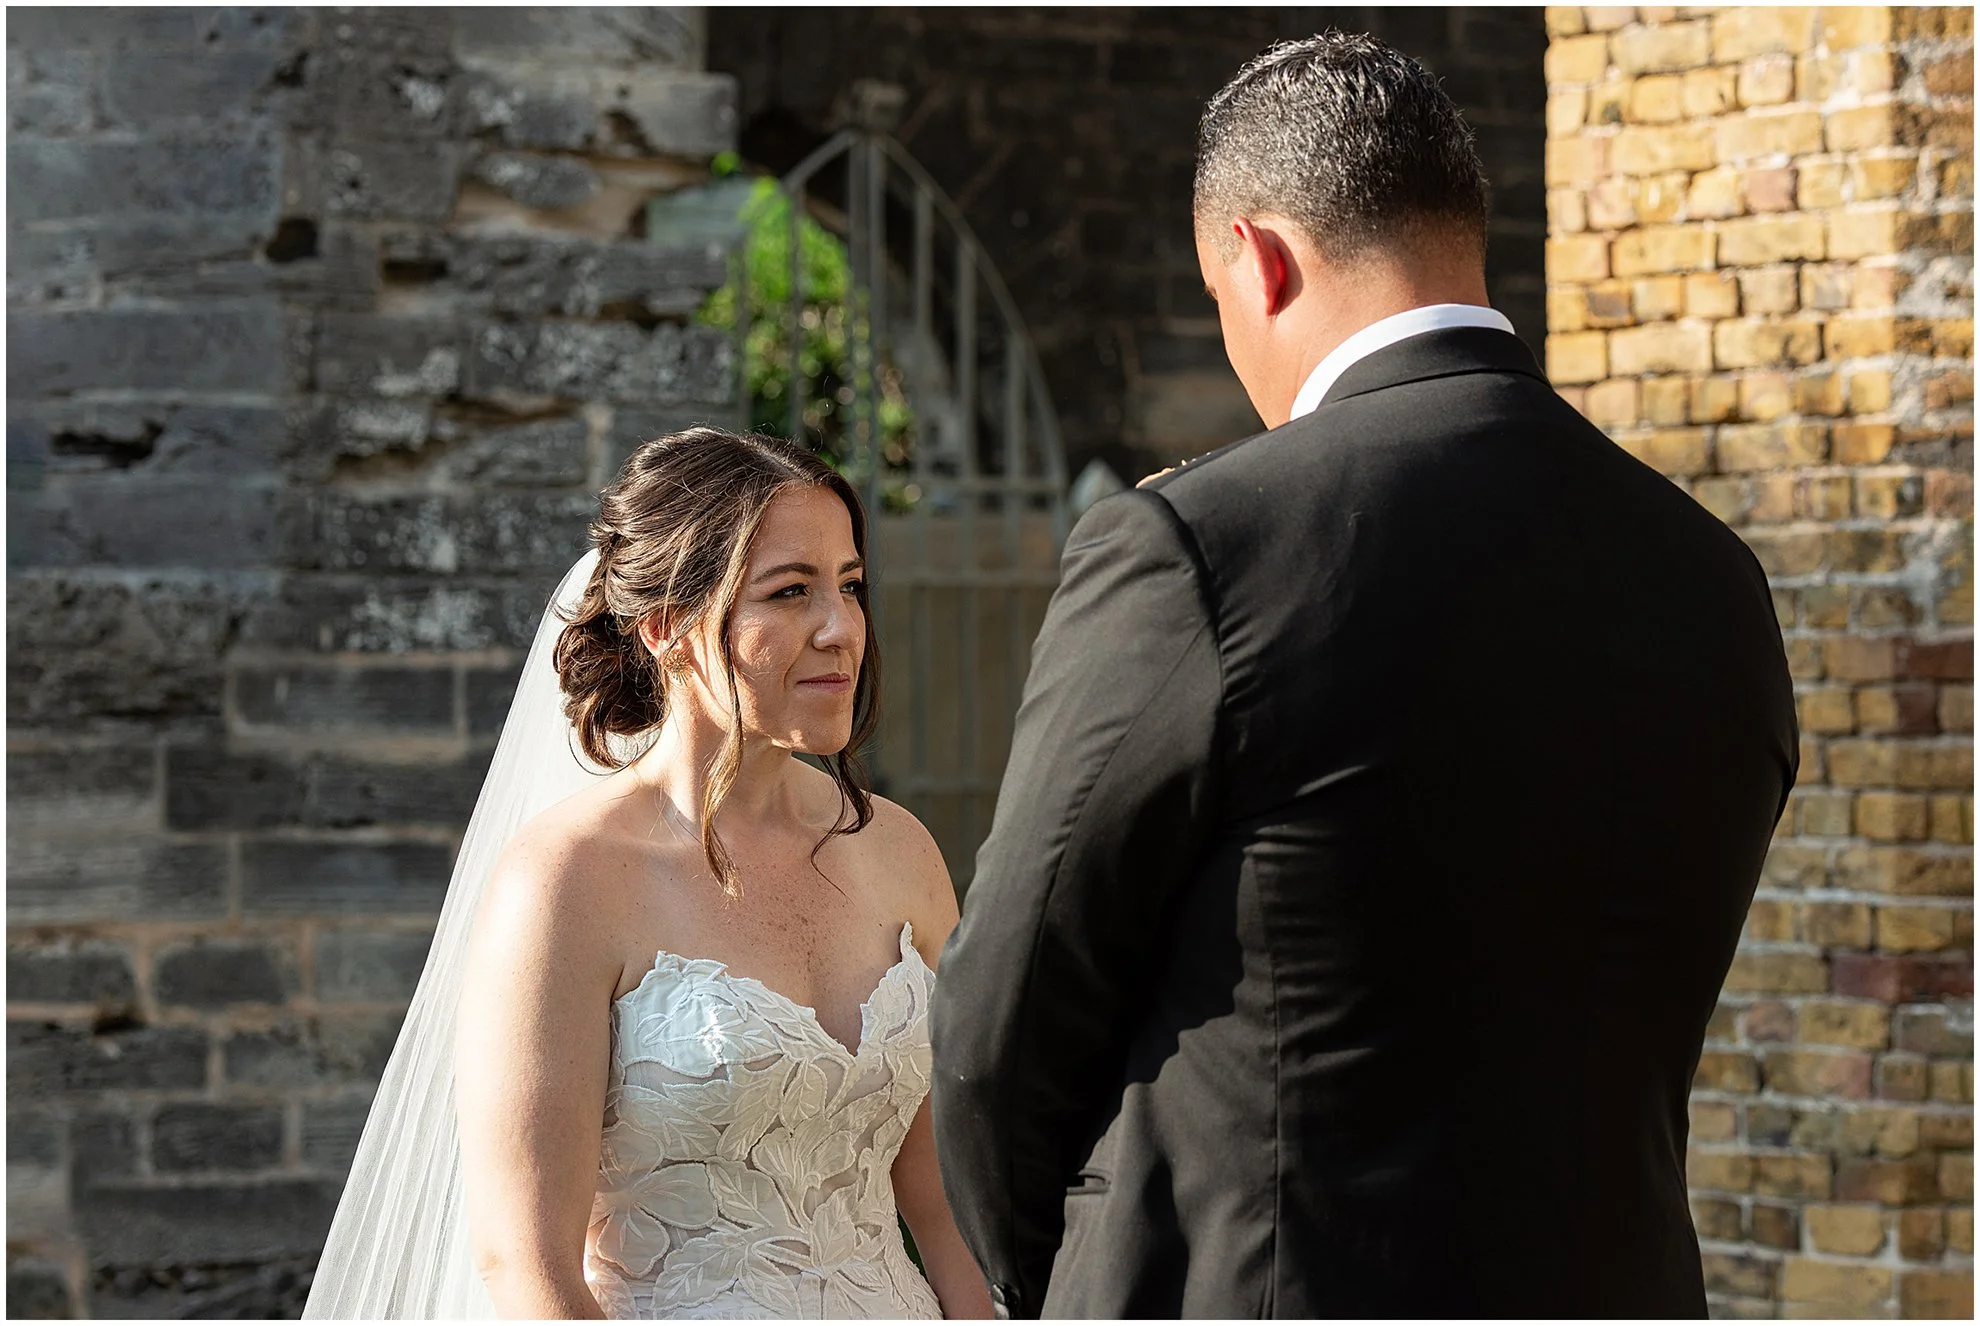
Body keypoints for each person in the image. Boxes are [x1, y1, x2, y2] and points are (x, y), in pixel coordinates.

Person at [930, 31, 1799, 1319]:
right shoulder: (1716, 578)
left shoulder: (1200, 547)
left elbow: (1002, 1020)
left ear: (1258, 260)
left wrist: (1048, 1285)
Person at [305, 428, 992, 1320]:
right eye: (791, 592)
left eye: (850, 587)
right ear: (667, 627)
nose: (840, 629)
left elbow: (944, 1207)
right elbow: (527, 1267)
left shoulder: (899, 849)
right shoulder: (567, 883)